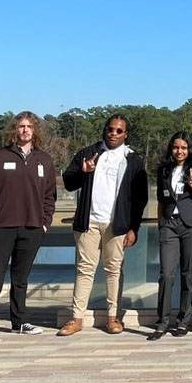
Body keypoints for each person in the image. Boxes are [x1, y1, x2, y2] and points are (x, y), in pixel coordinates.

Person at [0, 111, 57, 341]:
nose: (25, 130)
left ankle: (19, 322)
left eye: (29, 126)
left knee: (21, 279)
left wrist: (44, 223)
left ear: (35, 130)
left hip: (32, 228)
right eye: (20, 126)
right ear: (14, 130)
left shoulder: (44, 160)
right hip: (2, 227)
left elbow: (50, 195)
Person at [57, 114, 148, 336]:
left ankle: (113, 318)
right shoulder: (89, 153)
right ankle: (76, 318)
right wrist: (83, 171)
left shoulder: (133, 159)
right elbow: (68, 182)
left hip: (117, 225)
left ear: (126, 134)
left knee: (113, 271)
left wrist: (133, 227)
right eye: (110, 129)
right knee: (84, 270)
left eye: (119, 130)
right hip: (89, 223)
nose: (113, 133)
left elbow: (140, 198)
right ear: (104, 130)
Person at [148, 132, 192, 339]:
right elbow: (160, 199)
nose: (179, 151)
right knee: (166, 274)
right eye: (176, 147)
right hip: (169, 226)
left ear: (189, 149)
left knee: (187, 274)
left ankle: (183, 321)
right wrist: (160, 224)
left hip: (191, 226)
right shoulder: (164, 170)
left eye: (184, 147)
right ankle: (162, 321)